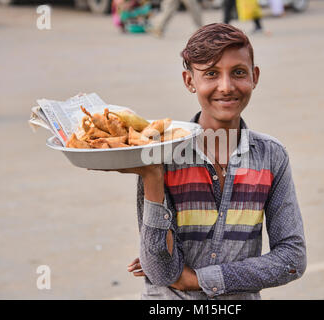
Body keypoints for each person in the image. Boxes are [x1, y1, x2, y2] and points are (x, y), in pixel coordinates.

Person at [124, 23, 306, 299]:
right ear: (189, 81)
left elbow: (292, 259)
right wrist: (152, 176)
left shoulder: (271, 156)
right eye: (210, 74)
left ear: (254, 77)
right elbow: (161, 270)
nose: (226, 86)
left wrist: (198, 278)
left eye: (238, 73)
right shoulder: (161, 152)